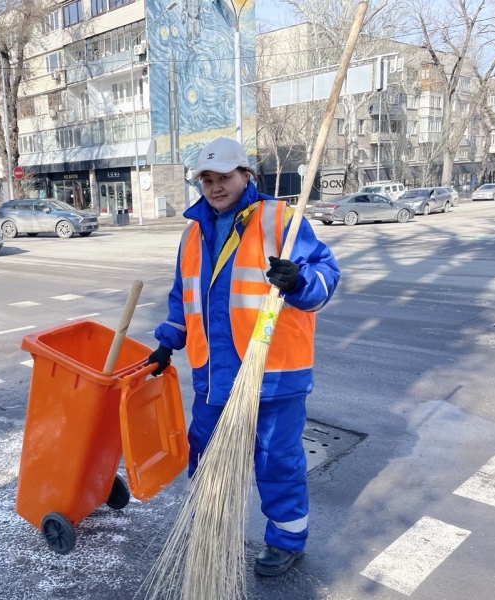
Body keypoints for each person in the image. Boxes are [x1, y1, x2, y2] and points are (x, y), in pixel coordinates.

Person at [147, 137, 340, 577]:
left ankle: (287, 540)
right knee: (207, 457)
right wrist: (166, 342)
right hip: (214, 375)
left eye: (225, 177)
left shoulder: (281, 221)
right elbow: (184, 298)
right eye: (207, 180)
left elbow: (326, 275)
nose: (216, 187)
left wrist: (299, 280)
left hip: (273, 374)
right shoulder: (193, 233)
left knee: (276, 459)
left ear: (246, 176)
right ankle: (210, 530)